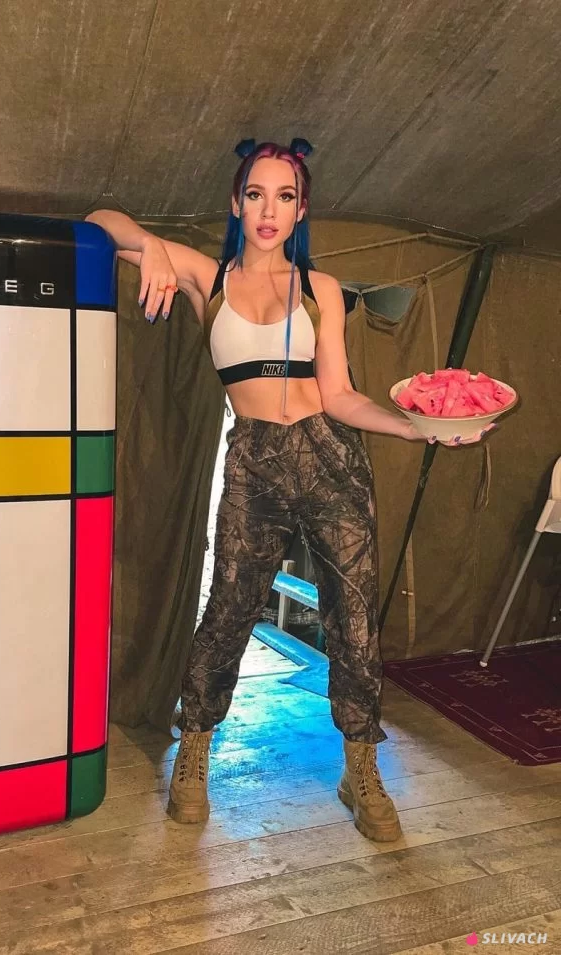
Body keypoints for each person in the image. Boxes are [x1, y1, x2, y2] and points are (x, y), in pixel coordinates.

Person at [86, 139, 491, 843]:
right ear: (235, 203)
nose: (268, 210)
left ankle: (361, 768)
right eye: (255, 194)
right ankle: (196, 752)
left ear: (301, 209)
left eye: (284, 196)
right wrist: (150, 247)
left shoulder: (321, 289)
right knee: (228, 611)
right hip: (255, 461)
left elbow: (340, 395)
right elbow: (99, 222)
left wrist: (415, 428)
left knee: (355, 621)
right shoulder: (207, 277)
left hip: (330, 456)